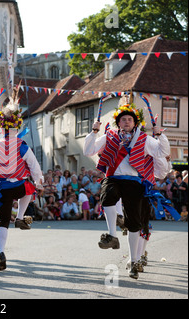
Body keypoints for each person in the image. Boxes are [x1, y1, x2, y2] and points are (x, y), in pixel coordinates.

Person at [83, 95, 170, 279]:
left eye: (130, 119)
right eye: (123, 119)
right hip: (113, 177)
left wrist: (159, 134)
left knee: (134, 224)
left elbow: (163, 152)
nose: (127, 122)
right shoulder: (109, 135)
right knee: (107, 196)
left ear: (135, 122)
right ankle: (112, 235)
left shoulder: (145, 139)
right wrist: (93, 131)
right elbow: (89, 150)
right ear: (118, 122)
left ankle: (134, 261)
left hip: (135, 182)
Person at [0, 86, 44, 271]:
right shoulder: (23, 145)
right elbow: (34, 166)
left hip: (1, 188)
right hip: (18, 186)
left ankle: (0, 252)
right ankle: (21, 217)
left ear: (1, 126)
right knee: (29, 189)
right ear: (18, 126)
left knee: (3, 221)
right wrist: (39, 182)